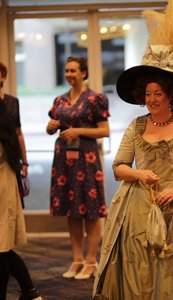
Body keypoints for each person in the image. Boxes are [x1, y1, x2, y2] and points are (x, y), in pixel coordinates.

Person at [93, 1, 173, 299]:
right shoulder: (136, 126)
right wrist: (138, 174)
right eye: (148, 94)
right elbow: (118, 167)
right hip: (139, 207)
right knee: (141, 267)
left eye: (158, 94)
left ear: (170, 95)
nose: (152, 99)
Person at [46, 56, 110, 280]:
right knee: (71, 211)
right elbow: (50, 128)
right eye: (66, 71)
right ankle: (77, 260)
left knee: (91, 211)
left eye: (73, 71)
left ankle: (91, 260)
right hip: (64, 160)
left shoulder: (95, 99)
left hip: (87, 159)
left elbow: (104, 131)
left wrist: (79, 131)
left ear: (84, 73)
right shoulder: (59, 100)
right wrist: (51, 126)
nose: (69, 74)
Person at [0, 101, 42, 300]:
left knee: (2, 249)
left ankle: (29, 292)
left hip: (3, 194)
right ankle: (30, 292)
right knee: (3, 249)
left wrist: (25, 164)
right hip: (4, 192)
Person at [0, 62, 29, 200]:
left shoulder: (12, 102)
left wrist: (24, 162)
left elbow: (18, 133)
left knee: (11, 199)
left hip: (10, 157)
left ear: (3, 77)